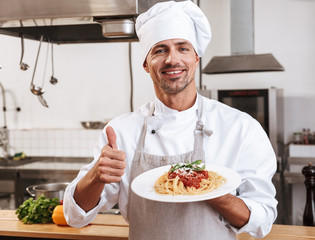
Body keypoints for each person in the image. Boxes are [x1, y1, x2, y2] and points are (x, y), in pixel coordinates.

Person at [63, 1, 278, 239]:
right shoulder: (121, 131)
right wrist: (96, 175)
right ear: (146, 64)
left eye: (182, 48)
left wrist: (212, 191)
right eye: (160, 50)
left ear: (196, 57)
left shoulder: (240, 127)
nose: (172, 60)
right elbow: (75, 216)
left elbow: (262, 220)